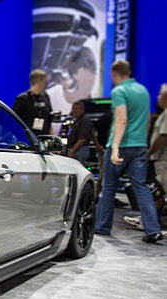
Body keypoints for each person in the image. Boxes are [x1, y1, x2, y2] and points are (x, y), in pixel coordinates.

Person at [94, 61, 163, 243]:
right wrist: (144, 143)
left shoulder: (119, 91)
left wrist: (115, 147)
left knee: (108, 187)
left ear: (114, 73)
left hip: (121, 145)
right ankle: (152, 229)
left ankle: (102, 227)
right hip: (139, 145)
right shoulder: (142, 90)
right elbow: (148, 120)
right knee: (141, 187)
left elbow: (121, 119)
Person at [125, 84, 167, 230]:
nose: (158, 98)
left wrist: (150, 152)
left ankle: (147, 221)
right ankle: (149, 220)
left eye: (160, 95)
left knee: (159, 191)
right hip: (161, 159)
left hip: (163, 160)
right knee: (159, 193)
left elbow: (163, 137)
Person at [13, 69, 53, 136]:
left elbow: (49, 117)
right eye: (45, 80)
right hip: (28, 137)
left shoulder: (45, 97)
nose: (47, 83)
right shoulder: (23, 98)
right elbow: (15, 119)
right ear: (39, 81)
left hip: (43, 136)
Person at [65, 100, 93, 166]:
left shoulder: (84, 120)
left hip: (80, 150)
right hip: (77, 149)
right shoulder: (76, 120)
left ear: (82, 110)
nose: (75, 111)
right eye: (74, 109)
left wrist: (73, 150)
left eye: (78, 109)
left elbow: (82, 139)